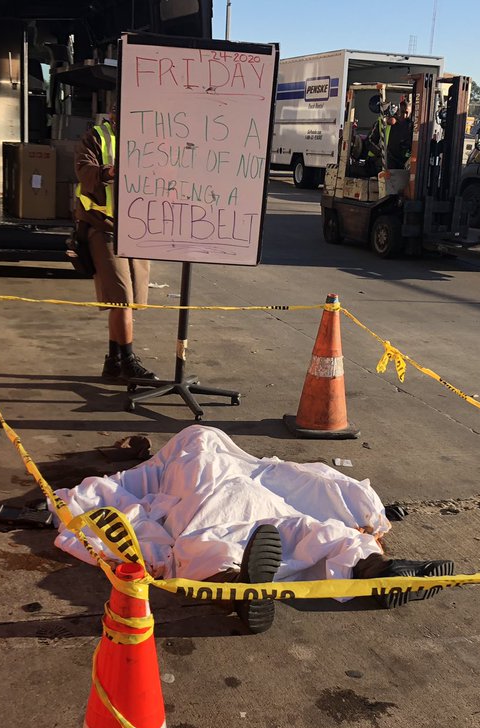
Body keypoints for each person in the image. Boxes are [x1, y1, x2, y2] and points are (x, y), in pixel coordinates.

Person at [53, 426, 455, 633]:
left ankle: (234, 586)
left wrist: (82, 500)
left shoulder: (167, 460)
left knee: (204, 533)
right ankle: (371, 567)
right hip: (247, 484)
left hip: (226, 484)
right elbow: (281, 472)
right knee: (300, 522)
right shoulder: (184, 456)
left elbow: (113, 493)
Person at [74, 107, 156, 383]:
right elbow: (84, 171)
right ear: (114, 112)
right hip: (104, 226)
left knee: (128, 300)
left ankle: (113, 360)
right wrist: (109, 172)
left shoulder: (150, 140)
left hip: (138, 229)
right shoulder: (97, 137)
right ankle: (128, 361)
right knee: (122, 299)